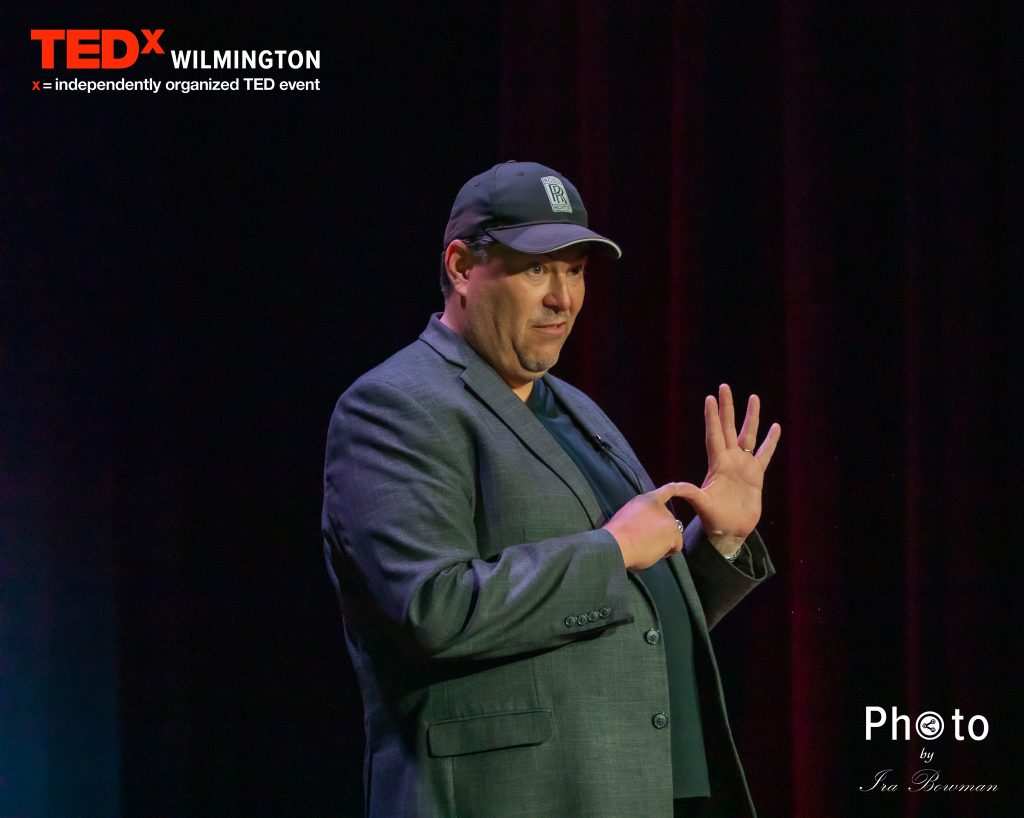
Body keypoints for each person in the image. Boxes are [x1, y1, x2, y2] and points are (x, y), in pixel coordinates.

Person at [322, 160, 782, 818]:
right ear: (461, 266)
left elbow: (628, 621)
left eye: (575, 270)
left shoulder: (576, 408)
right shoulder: (396, 406)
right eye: (537, 269)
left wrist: (719, 544)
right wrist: (611, 550)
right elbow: (431, 610)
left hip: (641, 791)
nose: (563, 298)